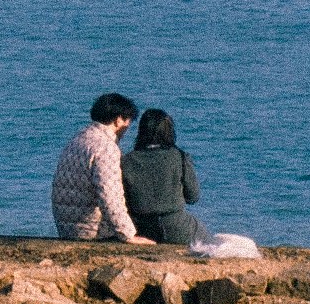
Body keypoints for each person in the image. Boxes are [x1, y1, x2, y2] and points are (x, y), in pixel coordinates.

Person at [50, 93, 140, 241]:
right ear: (118, 120)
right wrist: (128, 234)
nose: (127, 127)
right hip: (92, 231)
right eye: (127, 121)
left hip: (68, 228)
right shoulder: (106, 147)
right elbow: (109, 196)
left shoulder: (78, 139)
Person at [123, 108, 206, 246]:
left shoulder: (126, 160)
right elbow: (193, 197)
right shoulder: (179, 156)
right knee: (206, 238)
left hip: (141, 228)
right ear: (169, 131)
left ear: (141, 131)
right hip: (177, 227)